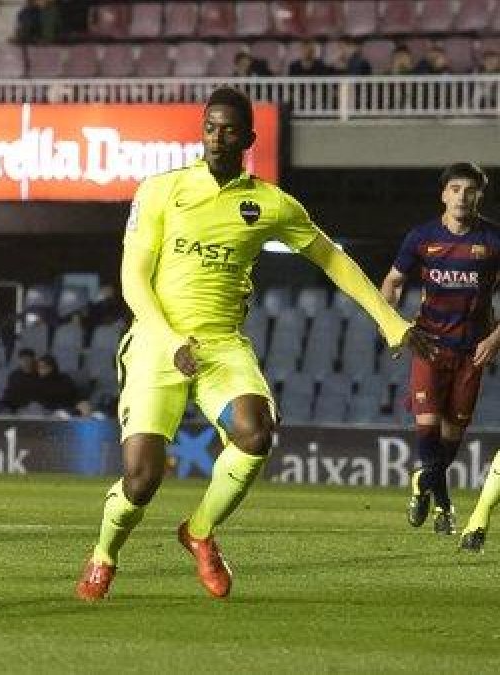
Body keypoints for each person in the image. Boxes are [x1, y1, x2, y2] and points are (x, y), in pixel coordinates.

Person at [75, 87, 434, 602]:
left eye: (229, 130)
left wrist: (391, 322)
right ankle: (104, 555)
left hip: (221, 347)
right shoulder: (160, 189)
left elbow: (332, 259)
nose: (218, 138)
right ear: (202, 131)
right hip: (157, 343)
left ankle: (198, 531)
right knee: (141, 480)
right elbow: (133, 279)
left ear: (249, 138)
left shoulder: (269, 203)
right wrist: (171, 338)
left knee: (255, 432)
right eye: (210, 128)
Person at [380, 163, 499, 538]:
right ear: (443, 194)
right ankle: (441, 501)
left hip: (472, 352)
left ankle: (430, 489)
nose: (462, 196)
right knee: (428, 430)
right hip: (430, 345)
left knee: (450, 439)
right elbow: (394, 281)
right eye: (455, 189)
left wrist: (496, 338)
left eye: (470, 190)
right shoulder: (422, 237)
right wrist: (392, 327)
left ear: (480, 195)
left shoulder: (494, 240)